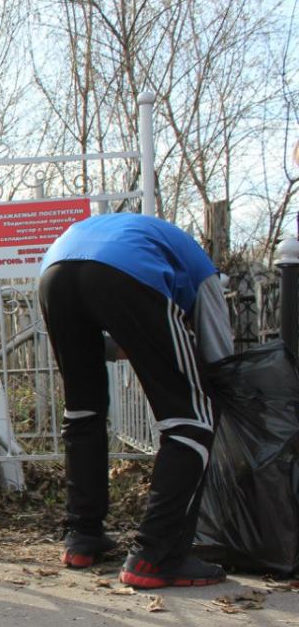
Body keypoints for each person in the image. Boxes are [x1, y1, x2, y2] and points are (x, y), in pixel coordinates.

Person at [39, 211, 233, 589]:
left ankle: (82, 537)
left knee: (83, 410)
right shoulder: (204, 272)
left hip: (55, 271)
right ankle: (155, 556)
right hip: (125, 271)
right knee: (193, 419)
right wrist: (224, 390)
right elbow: (219, 353)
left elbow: (124, 340)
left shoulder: (140, 235)